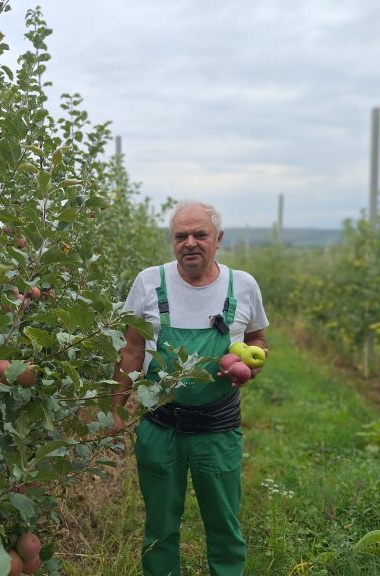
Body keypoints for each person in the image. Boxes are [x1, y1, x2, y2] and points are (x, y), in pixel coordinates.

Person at [111, 200, 269, 576]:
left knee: (224, 524)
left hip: (218, 427)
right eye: (181, 236)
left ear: (218, 239)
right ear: (172, 241)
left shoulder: (241, 285)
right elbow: (131, 349)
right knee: (160, 527)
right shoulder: (150, 282)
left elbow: (258, 339)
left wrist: (252, 363)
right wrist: (114, 410)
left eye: (200, 234)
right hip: (160, 425)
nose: (190, 243)